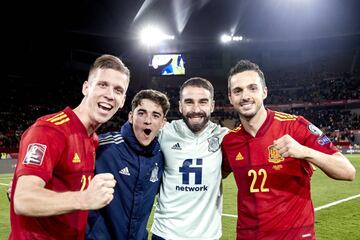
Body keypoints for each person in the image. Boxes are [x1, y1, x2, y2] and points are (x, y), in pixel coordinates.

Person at [222, 59, 356, 240]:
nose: (245, 96)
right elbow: (214, 174)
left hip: (296, 235)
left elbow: (348, 171)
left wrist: (305, 152)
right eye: (238, 91)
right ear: (230, 98)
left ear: (264, 92)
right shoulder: (229, 141)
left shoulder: (296, 126)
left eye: (252, 88)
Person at [9, 54, 130, 240]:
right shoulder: (49, 130)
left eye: (118, 90)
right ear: (86, 88)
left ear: (122, 101)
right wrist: (84, 198)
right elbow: (23, 199)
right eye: (102, 84)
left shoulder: (93, 140)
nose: (109, 95)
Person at [86, 89, 170, 240]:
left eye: (155, 115)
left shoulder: (161, 157)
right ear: (131, 117)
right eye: (141, 113)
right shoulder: (103, 147)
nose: (148, 121)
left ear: (163, 123)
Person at [151, 77, 229, 239]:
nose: (195, 109)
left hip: (207, 235)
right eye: (189, 102)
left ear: (212, 105)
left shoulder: (224, 137)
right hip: (166, 233)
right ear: (180, 106)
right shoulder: (164, 133)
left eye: (203, 102)